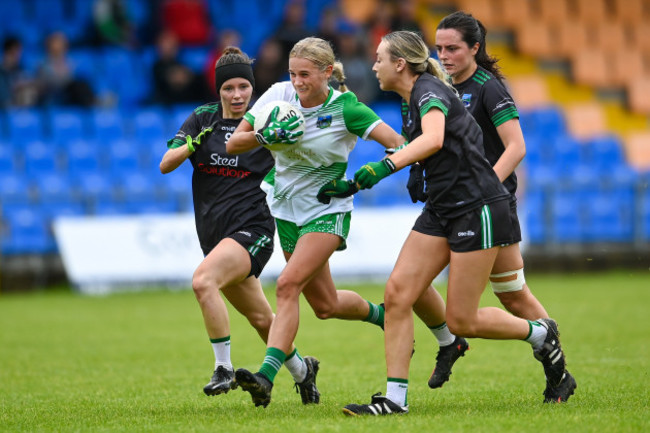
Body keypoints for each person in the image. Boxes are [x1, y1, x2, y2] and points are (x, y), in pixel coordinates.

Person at [334, 31, 575, 416]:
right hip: (443, 208)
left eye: (379, 58)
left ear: (400, 64)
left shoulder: (429, 90)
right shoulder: (409, 99)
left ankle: (540, 333)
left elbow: (432, 139)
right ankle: (394, 401)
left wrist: (386, 166)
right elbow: (424, 147)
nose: (374, 64)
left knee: (464, 317)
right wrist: (369, 178)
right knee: (398, 293)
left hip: (476, 207)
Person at [226, 36, 451, 409]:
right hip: (285, 210)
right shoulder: (278, 96)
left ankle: (266, 376)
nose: (297, 83)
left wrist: (363, 177)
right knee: (325, 305)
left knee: (286, 286)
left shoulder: (346, 108)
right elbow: (235, 144)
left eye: (306, 75)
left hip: (327, 211)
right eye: (293, 74)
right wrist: (265, 135)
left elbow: (399, 143)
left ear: (327, 73)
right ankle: (383, 316)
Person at [159, 46, 318, 404]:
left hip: (253, 228)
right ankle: (304, 373)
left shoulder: (267, 119)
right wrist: (189, 146)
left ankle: (223, 368)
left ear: (252, 87)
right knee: (262, 319)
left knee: (203, 281)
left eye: (243, 87)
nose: (237, 95)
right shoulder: (202, 119)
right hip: (214, 235)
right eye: (229, 88)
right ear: (218, 90)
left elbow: (303, 154)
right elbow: (166, 164)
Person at [433, 11, 577, 400]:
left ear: (475, 48)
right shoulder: (445, 86)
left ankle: (550, 361)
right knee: (513, 293)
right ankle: (557, 369)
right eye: (439, 48)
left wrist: (484, 187)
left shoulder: (489, 88)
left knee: (510, 296)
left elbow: (516, 147)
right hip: (468, 204)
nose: (443, 55)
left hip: (486, 205)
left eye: (453, 48)